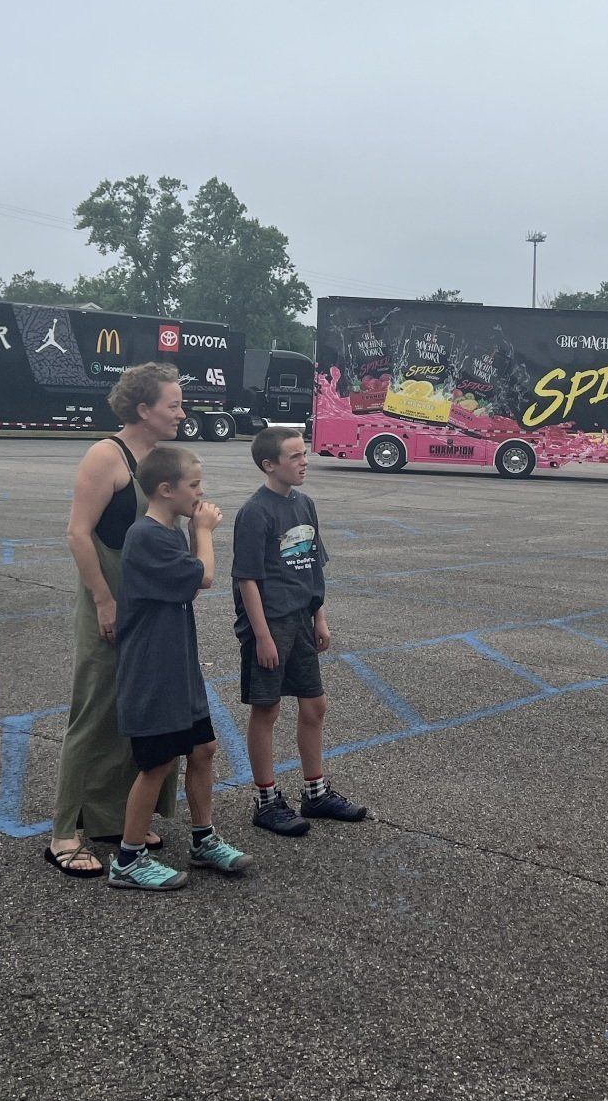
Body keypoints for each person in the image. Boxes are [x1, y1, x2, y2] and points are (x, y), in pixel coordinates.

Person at [43, 362, 186, 878]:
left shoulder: (162, 458)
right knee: (95, 710)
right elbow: (78, 533)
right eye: (174, 405)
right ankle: (64, 833)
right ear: (143, 409)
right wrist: (104, 600)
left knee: (139, 712)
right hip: (112, 602)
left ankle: (111, 819)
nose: (182, 412)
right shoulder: (107, 456)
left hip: (151, 609)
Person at [108, 444, 253, 890]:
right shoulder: (146, 536)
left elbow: (186, 580)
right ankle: (129, 860)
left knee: (203, 748)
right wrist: (203, 530)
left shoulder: (167, 532)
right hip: (153, 670)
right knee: (157, 763)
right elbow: (203, 576)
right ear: (165, 489)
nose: (200, 493)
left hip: (179, 667)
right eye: (194, 485)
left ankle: (203, 839)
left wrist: (192, 532)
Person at [232, 427, 368, 835]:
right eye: (294, 456)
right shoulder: (255, 512)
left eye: (304, 453)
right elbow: (247, 579)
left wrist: (319, 617)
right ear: (269, 465)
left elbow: (312, 567)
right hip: (269, 624)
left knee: (315, 706)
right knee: (267, 709)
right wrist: (262, 636)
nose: (304, 462)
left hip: (301, 621)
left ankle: (315, 793)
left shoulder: (305, 504)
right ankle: (266, 800)